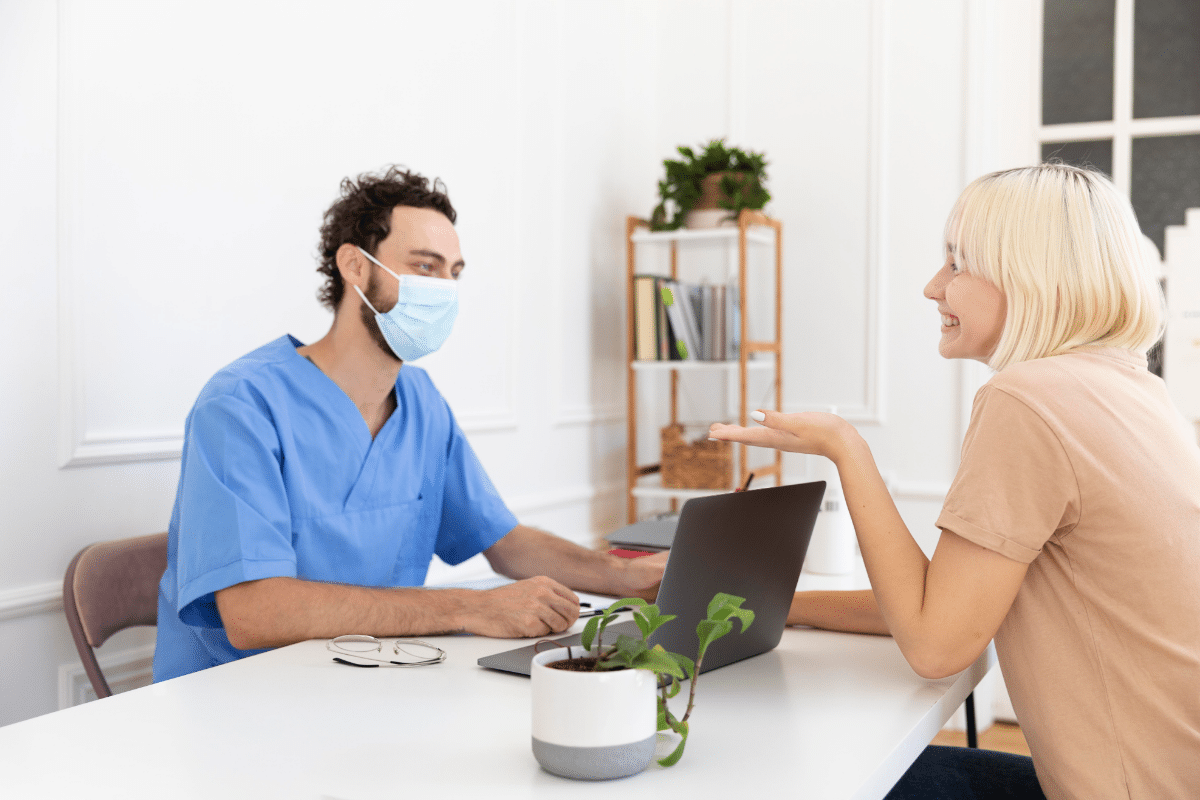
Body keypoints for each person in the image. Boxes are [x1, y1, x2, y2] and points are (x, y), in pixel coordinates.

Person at [710, 163, 1200, 800]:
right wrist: (772, 608)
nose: (932, 287)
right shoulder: (1136, 390)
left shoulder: (1027, 399)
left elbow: (934, 645)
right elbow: (949, 605)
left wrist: (845, 448)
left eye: (957, 264)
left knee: (800, 774)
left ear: (1028, 275)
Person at [154, 165, 666, 681]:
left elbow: (503, 540)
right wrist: (468, 608)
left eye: (454, 273)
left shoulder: (420, 402)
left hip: (369, 680)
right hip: (240, 699)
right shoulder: (241, 405)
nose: (444, 289)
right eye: (425, 266)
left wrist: (626, 576)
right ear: (355, 266)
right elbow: (255, 613)